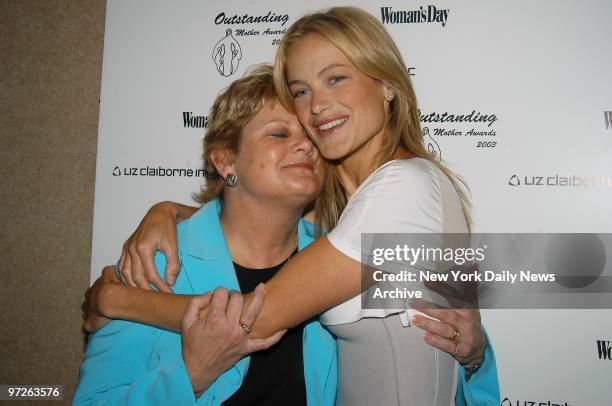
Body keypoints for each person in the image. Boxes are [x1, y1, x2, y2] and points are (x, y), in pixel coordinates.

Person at [88, 7, 500, 405]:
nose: (315, 112)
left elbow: (258, 318)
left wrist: (116, 302)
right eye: (301, 93)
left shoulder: (398, 192)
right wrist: (168, 209)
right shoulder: (161, 266)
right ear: (225, 160)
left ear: (388, 83)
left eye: (336, 78)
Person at [74, 65, 338, 405]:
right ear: (226, 161)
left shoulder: (336, 254)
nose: (306, 146)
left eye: (311, 134)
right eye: (279, 134)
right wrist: (193, 374)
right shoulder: (155, 264)